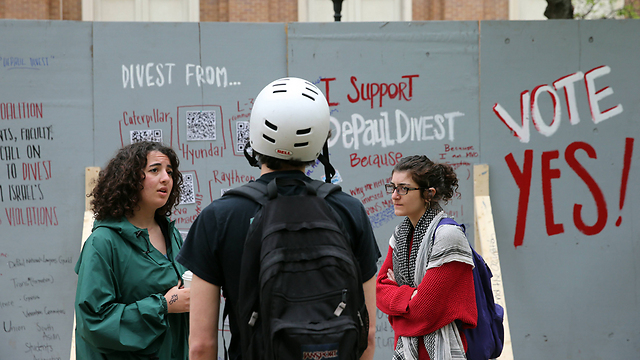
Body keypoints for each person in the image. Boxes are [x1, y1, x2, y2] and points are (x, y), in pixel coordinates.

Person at [176, 77, 381, 360]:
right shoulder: (349, 211)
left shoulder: (218, 217)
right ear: (321, 141)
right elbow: (366, 335)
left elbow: (201, 346)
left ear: (255, 133)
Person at [74, 141, 190, 360]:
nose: (166, 178)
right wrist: (163, 305)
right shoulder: (103, 243)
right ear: (129, 180)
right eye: (154, 170)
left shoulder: (172, 235)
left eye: (169, 172)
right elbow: (94, 323)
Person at [376, 155, 477, 360]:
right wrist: (410, 297)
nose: (395, 195)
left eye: (404, 188)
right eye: (392, 187)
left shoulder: (448, 236)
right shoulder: (399, 236)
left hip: (443, 352)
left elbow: (424, 311)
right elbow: (378, 291)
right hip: (405, 351)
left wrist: (397, 306)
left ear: (428, 194)